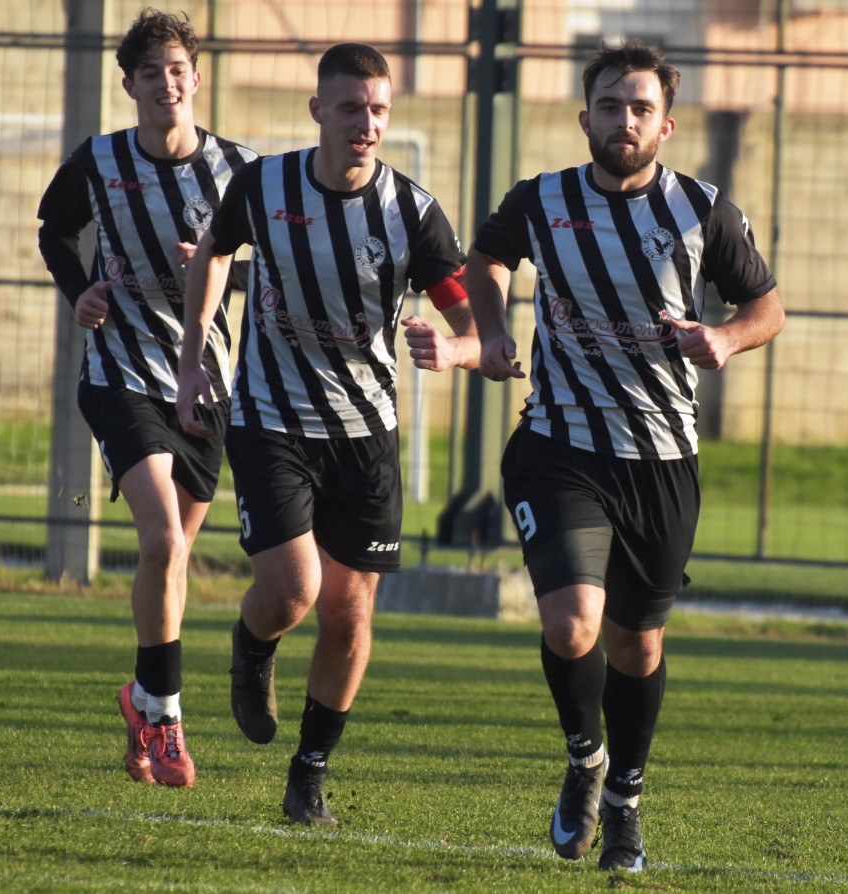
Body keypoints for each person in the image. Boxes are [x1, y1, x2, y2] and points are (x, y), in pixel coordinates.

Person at [467, 39, 785, 872]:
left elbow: (767, 307)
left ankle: (625, 804)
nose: (625, 120)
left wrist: (726, 338)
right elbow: (487, 257)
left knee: (635, 647)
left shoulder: (702, 210)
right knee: (572, 622)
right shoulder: (540, 200)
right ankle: (585, 760)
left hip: (661, 460)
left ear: (666, 124)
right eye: (610, 105)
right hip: (559, 446)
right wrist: (492, 330)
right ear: (586, 117)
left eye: (641, 108)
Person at [176, 42, 477, 826]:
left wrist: (456, 348)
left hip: (366, 433)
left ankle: (308, 773)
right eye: (350, 108)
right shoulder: (263, 185)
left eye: (378, 110)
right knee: (294, 590)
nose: (366, 124)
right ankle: (253, 646)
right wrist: (193, 357)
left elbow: (471, 317)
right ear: (317, 111)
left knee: (349, 613)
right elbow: (214, 254)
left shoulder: (412, 212)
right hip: (271, 419)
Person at [36, 8, 257, 788]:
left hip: (204, 381)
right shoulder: (98, 161)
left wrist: (222, 268)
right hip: (120, 375)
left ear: (197, 77)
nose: (167, 83)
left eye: (178, 69)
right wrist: (82, 292)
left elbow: (281, 261)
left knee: (174, 554)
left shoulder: (239, 169)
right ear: (128, 84)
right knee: (162, 539)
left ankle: (139, 697)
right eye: (151, 72)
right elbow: (54, 232)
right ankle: (165, 720)